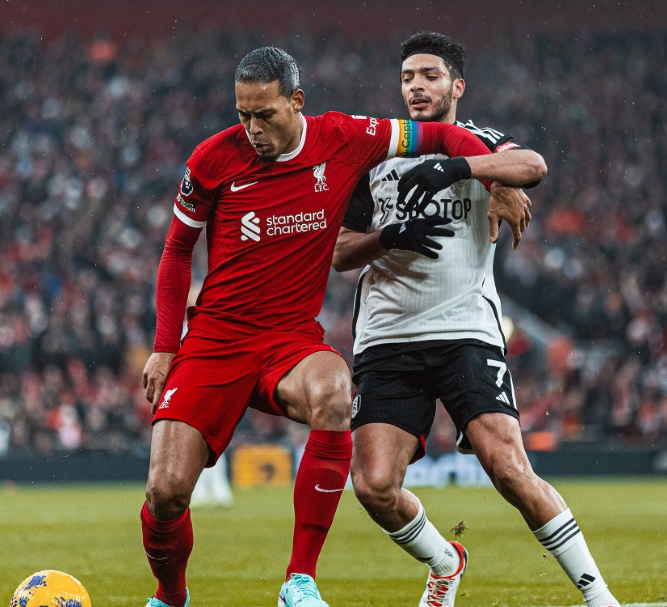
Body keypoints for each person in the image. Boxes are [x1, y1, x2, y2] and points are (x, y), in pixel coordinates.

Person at [138, 46, 545, 607]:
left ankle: (299, 581)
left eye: (266, 115)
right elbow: (176, 251)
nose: (253, 129)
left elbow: (443, 140)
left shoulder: (347, 137)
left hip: (289, 340)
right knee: (165, 492)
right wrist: (165, 347)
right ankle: (171, 593)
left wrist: (496, 180)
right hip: (215, 339)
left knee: (334, 389)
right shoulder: (212, 159)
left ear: (297, 102)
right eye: (243, 115)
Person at [332, 31, 620, 607]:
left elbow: (532, 165)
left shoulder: (482, 143)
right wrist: (388, 237)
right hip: (387, 337)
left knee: (510, 469)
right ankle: (445, 562)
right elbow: (339, 252)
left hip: (465, 329)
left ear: (457, 86)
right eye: (409, 77)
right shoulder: (375, 155)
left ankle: (598, 597)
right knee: (373, 486)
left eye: (431, 76)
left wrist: (458, 170)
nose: (417, 86)